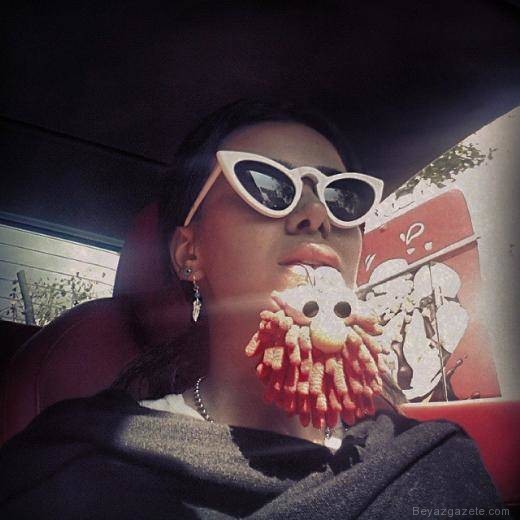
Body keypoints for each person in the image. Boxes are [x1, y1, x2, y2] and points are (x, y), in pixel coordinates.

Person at [0, 100, 503, 519]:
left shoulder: (429, 460)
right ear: (190, 253)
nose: (316, 215)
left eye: (342, 197)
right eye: (267, 185)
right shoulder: (77, 467)